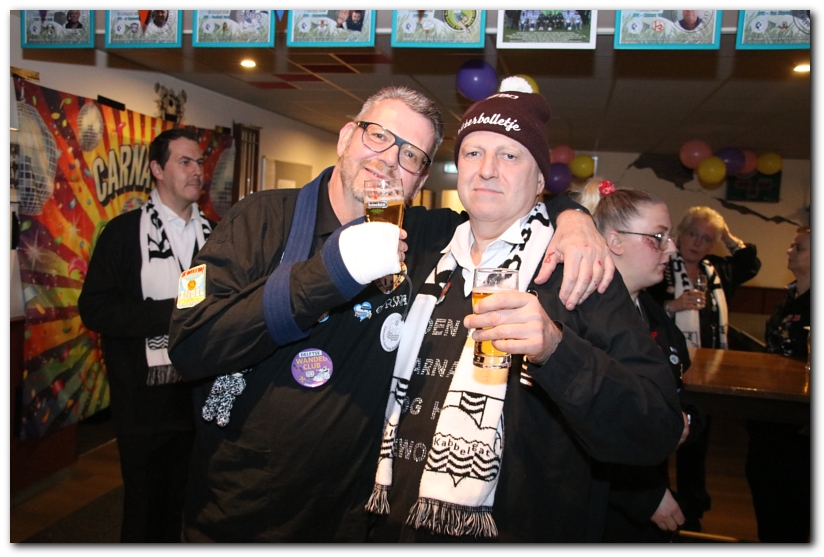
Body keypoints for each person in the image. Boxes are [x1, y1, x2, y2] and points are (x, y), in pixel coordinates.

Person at [168, 85, 615, 542]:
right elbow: (190, 343)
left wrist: (572, 216)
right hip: (246, 515)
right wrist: (326, 275)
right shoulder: (262, 220)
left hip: (356, 519)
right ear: (346, 137)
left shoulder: (422, 240)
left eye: (411, 155)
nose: (388, 160)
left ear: (419, 182)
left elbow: (504, 204)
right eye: (378, 136)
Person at [362, 78, 684, 542]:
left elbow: (656, 427)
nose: (487, 170)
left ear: (539, 182)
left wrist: (558, 350)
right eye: (473, 152)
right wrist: (573, 212)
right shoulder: (424, 247)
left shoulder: (578, 272)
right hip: (391, 523)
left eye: (510, 155)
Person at [78, 128, 215, 542]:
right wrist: (174, 312)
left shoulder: (219, 235)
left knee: (191, 505)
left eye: (199, 162)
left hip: (202, 393)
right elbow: (95, 309)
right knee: (144, 508)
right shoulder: (123, 233)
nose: (197, 171)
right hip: (144, 399)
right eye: (184, 162)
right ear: (157, 169)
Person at [577, 179, 704, 542]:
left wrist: (683, 422)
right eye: (658, 237)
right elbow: (581, 428)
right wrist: (641, 495)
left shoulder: (652, 312)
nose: (672, 248)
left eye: (669, 237)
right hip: (596, 510)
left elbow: (672, 390)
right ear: (615, 241)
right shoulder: (582, 316)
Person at [647, 205, 761, 531]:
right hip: (667, 368)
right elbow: (643, 309)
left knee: (697, 442)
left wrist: (727, 236)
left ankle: (692, 510)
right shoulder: (660, 267)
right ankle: (657, 501)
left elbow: (750, 262)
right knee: (662, 437)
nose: (698, 243)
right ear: (680, 235)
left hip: (709, 371)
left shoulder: (718, 271)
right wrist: (672, 306)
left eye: (707, 238)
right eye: (693, 234)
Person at [745, 226, 810, 542]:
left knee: (794, 503)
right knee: (763, 484)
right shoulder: (789, 298)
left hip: (801, 423)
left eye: (799, 247)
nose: (789, 251)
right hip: (772, 416)